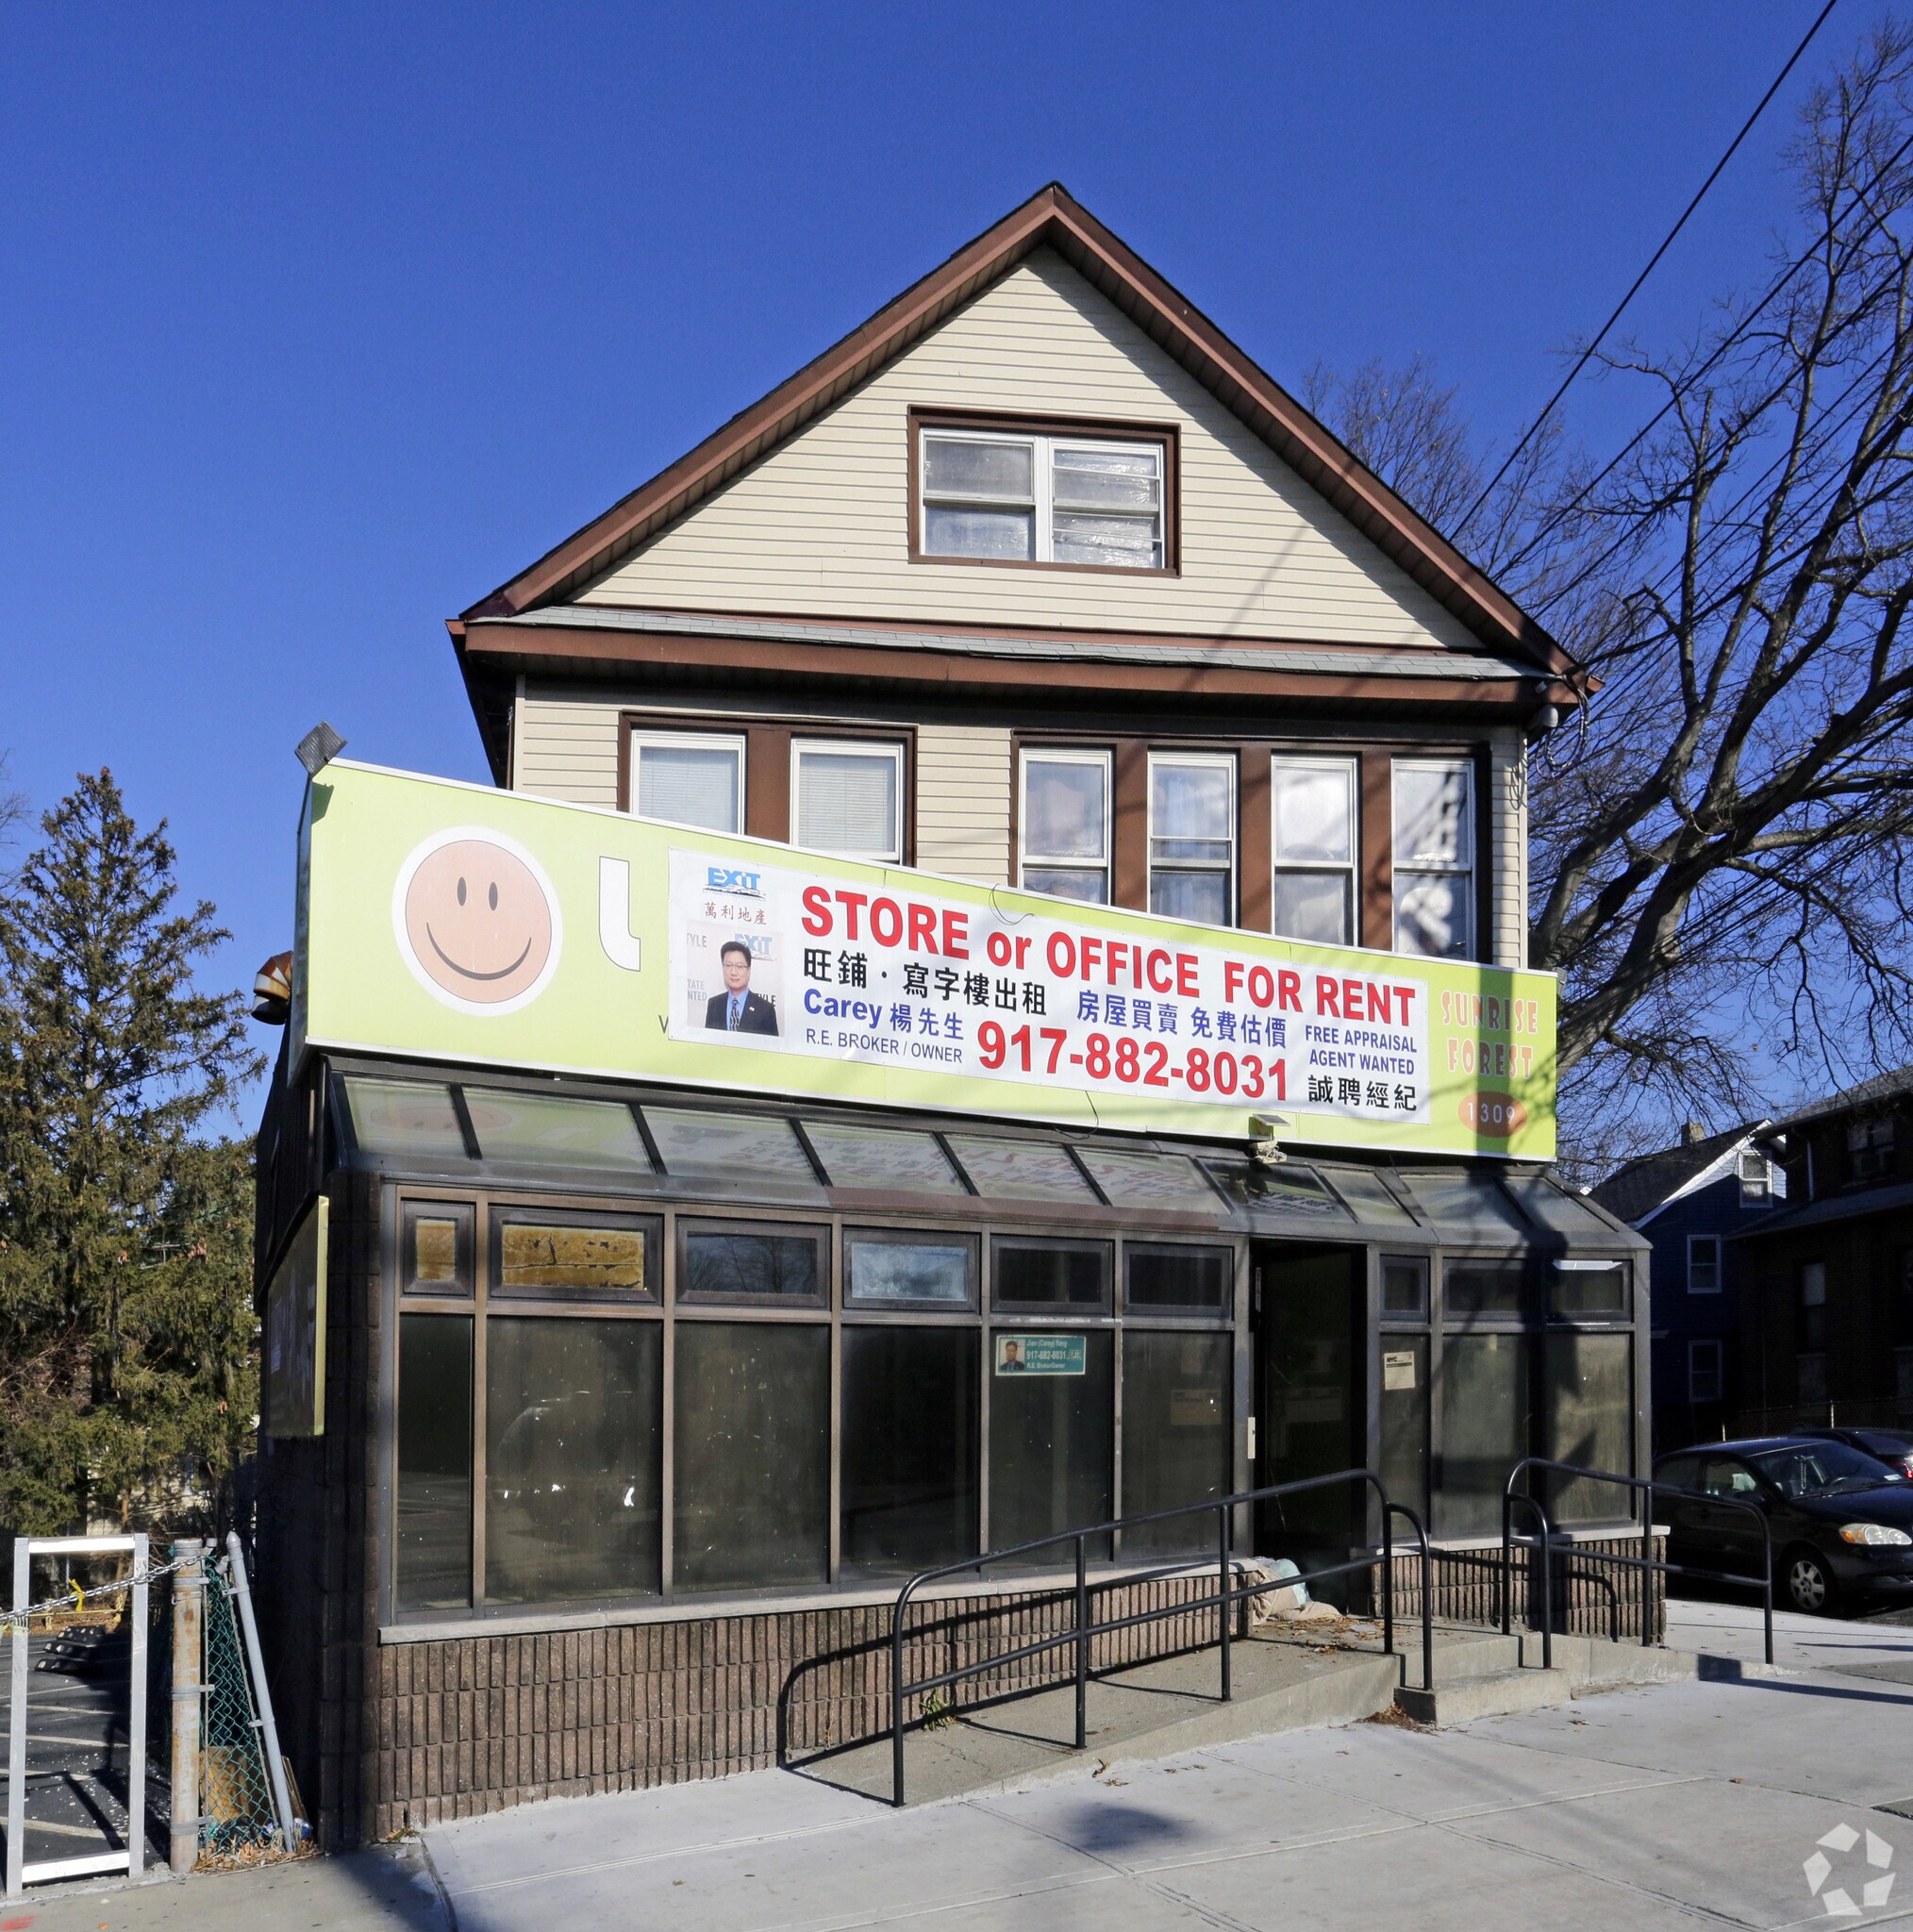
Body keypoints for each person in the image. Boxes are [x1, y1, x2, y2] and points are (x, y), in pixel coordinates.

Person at [704, 941, 778, 1036]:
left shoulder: (766, 1010)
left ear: (749, 970)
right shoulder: (714, 1005)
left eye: (739, 966)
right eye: (728, 965)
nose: (733, 972)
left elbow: (772, 1048)